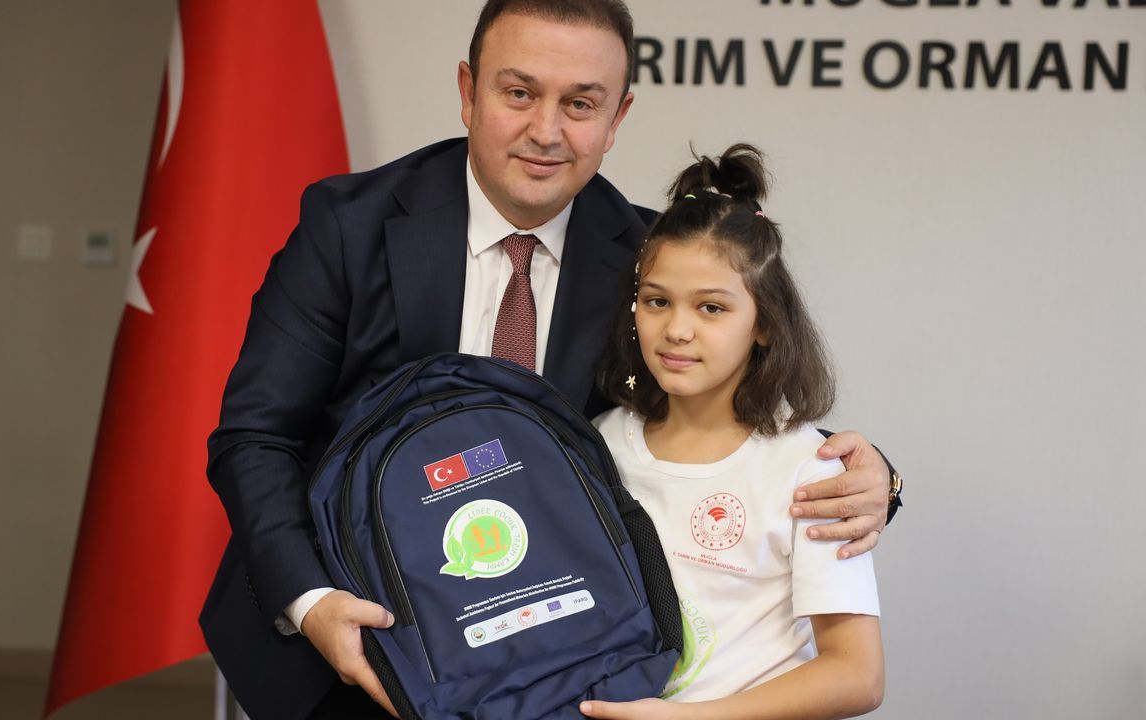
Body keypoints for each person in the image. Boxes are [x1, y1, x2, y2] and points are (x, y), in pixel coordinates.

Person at [200, 2, 897, 718]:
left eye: (580, 104)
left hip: (554, 673)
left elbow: (718, 420)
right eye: (519, 92)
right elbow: (255, 435)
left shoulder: (651, 262)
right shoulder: (349, 224)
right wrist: (314, 602)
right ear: (469, 91)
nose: (546, 130)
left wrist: (869, 476)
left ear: (617, 118)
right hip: (352, 639)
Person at [579, 145, 884, 720]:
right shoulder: (600, 446)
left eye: (712, 308)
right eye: (656, 301)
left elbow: (858, 674)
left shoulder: (806, 468)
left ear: (764, 322)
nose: (677, 329)